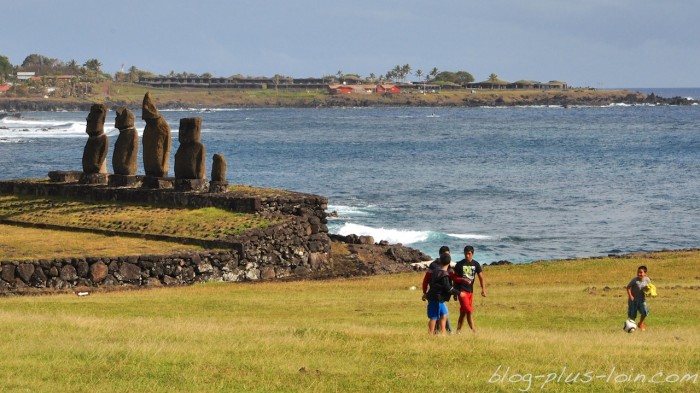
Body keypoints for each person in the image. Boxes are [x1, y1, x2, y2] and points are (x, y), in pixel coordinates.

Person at [453, 245, 486, 333]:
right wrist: (455, 293)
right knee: (469, 311)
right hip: (461, 292)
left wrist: (483, 290)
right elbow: (455, 279)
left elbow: (481, 278)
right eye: (466, 253)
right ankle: (474, 331)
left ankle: (458, 331)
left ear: (472, 254)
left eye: (469, 254)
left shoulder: (476, 264)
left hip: (470, 292)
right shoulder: (459, 264)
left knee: (463, 312)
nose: (467, 255)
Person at [422, 246, 454, 333]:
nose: (447, 257)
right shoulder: (434, 265)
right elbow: (426, 279)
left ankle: (443, 333)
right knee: (436, 316)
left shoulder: (448, 265)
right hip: (435, 294)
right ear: (440, 255)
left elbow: (452, 278)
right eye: (445, 255)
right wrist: (425, 292)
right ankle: (437, 333)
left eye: (448, 254)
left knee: (443, 314)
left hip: (442, 295)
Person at [626, 265, 651, 331]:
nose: (639, 274)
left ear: (645, 273)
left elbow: (649, 288)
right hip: (633, 300)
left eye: (641, 272)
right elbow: (628, 287)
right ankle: (632, 328)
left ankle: (640, 323)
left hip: (642, 299)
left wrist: (648, 292)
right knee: (632, 315)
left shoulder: (647, 279)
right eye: (638, 272)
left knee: (645, 312)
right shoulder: (634, 280)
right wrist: (630, 296)